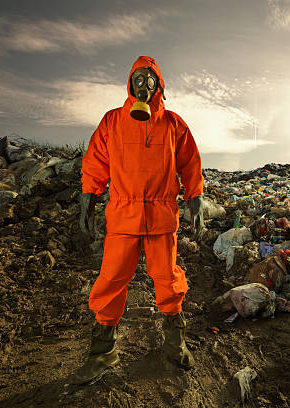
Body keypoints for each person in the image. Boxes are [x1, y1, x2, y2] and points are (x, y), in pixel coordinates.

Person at [72, 55, 204, 385]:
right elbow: (96, 161)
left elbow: (190, 165)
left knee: (167, 279)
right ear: (129, 84)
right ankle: (102, 352)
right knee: (112, 278)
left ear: (158, 86)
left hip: (161, 216)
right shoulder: (113, 121)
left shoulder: (174, 124)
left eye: (149, 80)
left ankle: (174, 343)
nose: (142, 85)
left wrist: (195, 199)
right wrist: (89, 194)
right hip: (123, 216)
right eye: (137, 79)